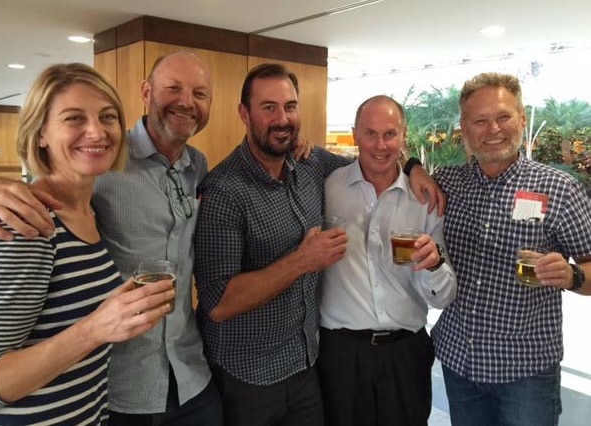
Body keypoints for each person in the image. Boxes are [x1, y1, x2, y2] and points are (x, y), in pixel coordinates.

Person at [0, 52, 223, 426]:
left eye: (200, 93)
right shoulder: (91, 172)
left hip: (185, 376)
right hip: (120, 389)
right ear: (146, 93)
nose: (97, 132)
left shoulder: (195, 166)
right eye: (173, 88)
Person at [192, 63, 444, 426]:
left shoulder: (310, 165)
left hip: (307, 364)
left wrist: (413, 167)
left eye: (290, 106)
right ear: (243, 114)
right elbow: (217, 303)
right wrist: (302, 261)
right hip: (248, 375)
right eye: (268, 107)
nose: (282, 118)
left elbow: (374, 160)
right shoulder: (224, 190)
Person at [431, 72, 591, 426]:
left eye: (504, 117)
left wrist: (572, 274)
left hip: (526, 371)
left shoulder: (558, 189)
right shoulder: (446, 182)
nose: (494, 130)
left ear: (521, 118)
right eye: (480, 121)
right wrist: (412, 167)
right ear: (465, 129)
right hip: (460, 361)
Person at [318, 95, 457, 426]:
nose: (380, 145)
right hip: (341, 353)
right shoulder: (327, 186)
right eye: (370, 133)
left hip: (405, 352)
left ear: (404, 136)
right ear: (355, 135)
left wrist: (433, 264)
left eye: (390, 134)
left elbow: (444, 295)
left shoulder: (424, 197)